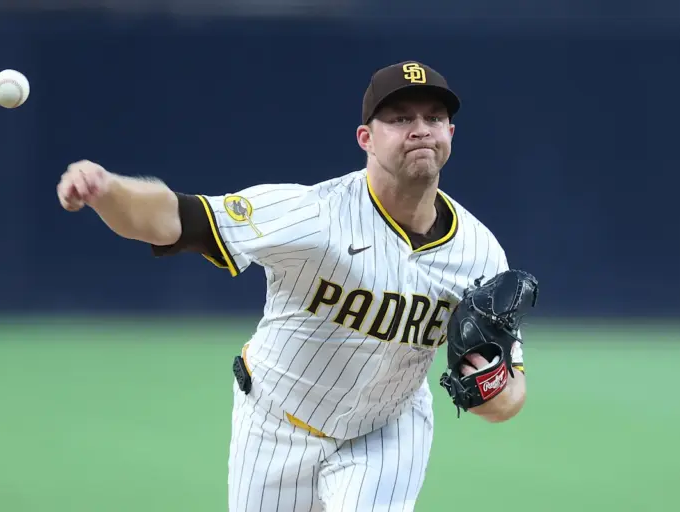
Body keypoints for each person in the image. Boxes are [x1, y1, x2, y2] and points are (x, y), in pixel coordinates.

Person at [56, 60, 527, 512]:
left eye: (434, 117)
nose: (420, 129)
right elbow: (174, 219)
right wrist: (108, 190)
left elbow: (508, 397)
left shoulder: (479, 254)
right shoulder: (311, 215)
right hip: (275, 423)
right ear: (365, 139)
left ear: (450, 133)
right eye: (400, 118)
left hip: (386, 431)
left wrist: (491, 387)